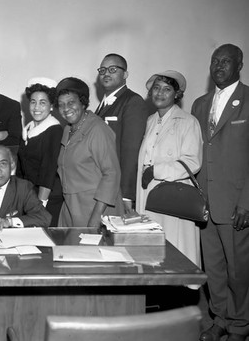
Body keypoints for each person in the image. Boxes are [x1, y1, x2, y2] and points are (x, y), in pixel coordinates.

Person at [192, 44, 249, 341]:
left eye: (226, 61)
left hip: (236, 203)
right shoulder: (200, 104)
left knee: (239, 271)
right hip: (205, 202)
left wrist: (247, 202)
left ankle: (240, 325)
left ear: (239, 65)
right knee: (213, 267)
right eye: (215, 61)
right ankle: (220, 319)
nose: (219, 66)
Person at [135, 70, 203, 266]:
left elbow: (192, 161)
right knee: (151, 254)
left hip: (173, 199)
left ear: (177, 94)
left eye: (167, 89)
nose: (160, 93)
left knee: (175, 252)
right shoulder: (149, 121)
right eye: (156, 88)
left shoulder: (188, 122)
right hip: (148, 195)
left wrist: (155, 171)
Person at [56, 77, 122, 227]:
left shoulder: (98, 129)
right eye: (61, 105)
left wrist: (95, 219)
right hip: (72, 208)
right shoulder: (68, 129)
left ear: (83, 102)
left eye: (71, 102)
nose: (66, 108)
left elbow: (111, 174)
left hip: (97, 209)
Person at [95, 54, 148, 212]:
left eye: (112, 69)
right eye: (102, 70)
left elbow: (131, 151)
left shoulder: (133, 102)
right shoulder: (103, 105)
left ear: (125, 74)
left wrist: (126, 195)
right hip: (103, 184)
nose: (106, 73)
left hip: (118, 188)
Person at [17, 78, 63, 226]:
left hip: (47, 199)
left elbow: (48, 170)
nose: (37, 107)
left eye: (43, 102)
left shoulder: (54, 130)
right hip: (31, 197)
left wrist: (41, 206)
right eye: (33, 102)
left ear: (51, 106)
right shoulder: (28, 130)